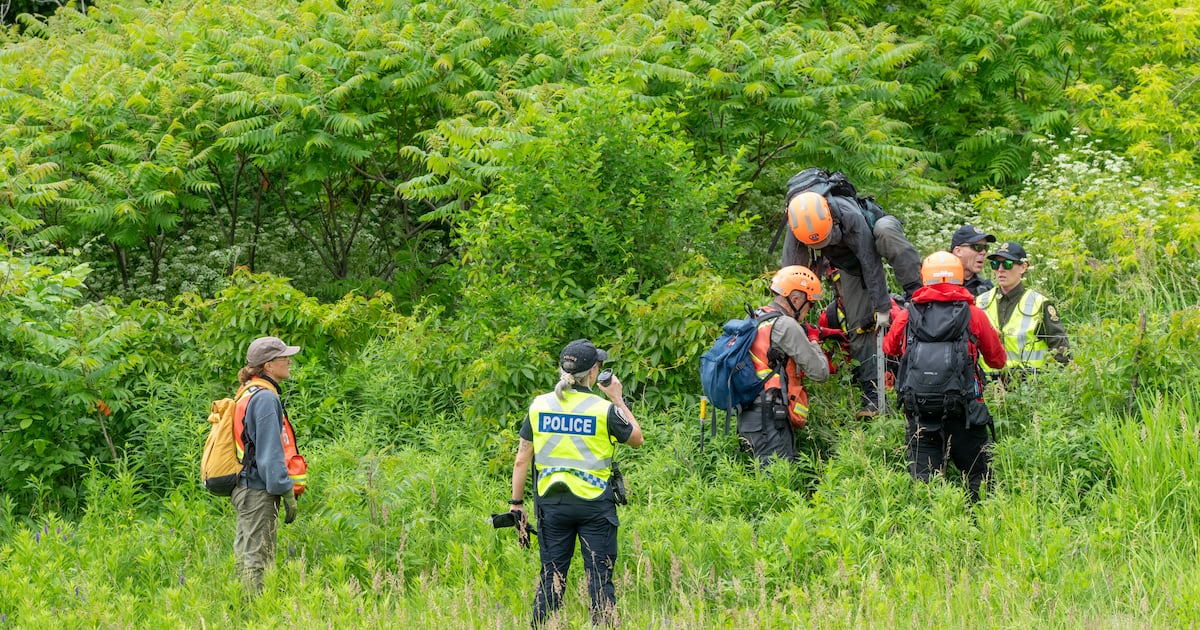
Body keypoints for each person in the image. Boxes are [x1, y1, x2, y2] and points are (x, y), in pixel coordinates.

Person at [509, 339, 644, 628]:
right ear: (593, 372)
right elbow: (636, 439)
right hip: (595, 505)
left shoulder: (539, 405)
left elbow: (522, 458)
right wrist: (617, 399)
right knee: (599, 577)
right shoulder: (602, 409)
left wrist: (516, 504)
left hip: (552, 503)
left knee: (552, 577)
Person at [782, 184, 922, 417]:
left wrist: (882, 307)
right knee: (860, 325)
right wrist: (786, 317)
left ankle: (918, 295)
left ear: (831, 220)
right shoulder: (795, 226)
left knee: (886, 231)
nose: (820, 245)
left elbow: (870, 263)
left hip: (871, 238)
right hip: (848, 262)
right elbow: (790, 273)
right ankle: (873, 398)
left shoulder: (851, 216)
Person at [884, 252, 1006, 502]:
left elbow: (889, 348)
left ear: (925, 279)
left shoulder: (909, 314)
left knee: (924, 485)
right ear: (959, 278)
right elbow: (998, 360)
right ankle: (980, 528)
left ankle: (929, 533)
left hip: (920, 410)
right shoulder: (974, 315)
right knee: (977, 478)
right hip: (966, 410)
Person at [232, 336, 308, 594]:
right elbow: (270, 453)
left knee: (246, 556)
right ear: (267, 365)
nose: (289, 361)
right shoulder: (265, 398)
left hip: (246, 487)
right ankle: (254, 613)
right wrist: (286, 491)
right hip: (258, 491)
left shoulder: (247, 392)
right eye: (283, 357)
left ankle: (242, 611)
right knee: (258, 560)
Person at [738, 266, 831, 465]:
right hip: (770, 420)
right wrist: (813, 341)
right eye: (810, 304)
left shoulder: (755, 317)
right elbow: (820, 372)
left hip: (748, 417)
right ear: (796, 300)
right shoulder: (785, 325)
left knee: (760, 481)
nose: (809, 311)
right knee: (777, 484)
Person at [976, 241, 1071, 375]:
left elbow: (1061, 349)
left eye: (1007, 264)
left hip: (1029, 386)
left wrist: (1054, 382)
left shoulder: (1039, 303)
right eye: (995, 264)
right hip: (989, 385)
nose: (1000, 270)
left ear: (1023, 267)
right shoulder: (981, 302)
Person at [950, 224, 996, 297]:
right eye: (977, 247)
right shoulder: (935, 282)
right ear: (958, 251)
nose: (983, 252)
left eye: (986, 248)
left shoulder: (987, 289)